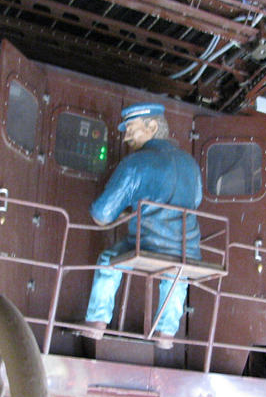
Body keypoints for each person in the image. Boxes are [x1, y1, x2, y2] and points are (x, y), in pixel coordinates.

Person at [83, 103, 202, 349]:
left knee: (108, 260)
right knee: (177, 274)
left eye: (131, 129)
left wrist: (127, 209)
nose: (126, 137)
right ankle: (166, 334)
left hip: (147, 243)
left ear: (153, 127)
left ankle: (97, 323)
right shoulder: (191, 164)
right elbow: (196, 201)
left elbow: (102, 215)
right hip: (187, 248)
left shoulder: (136, 163)